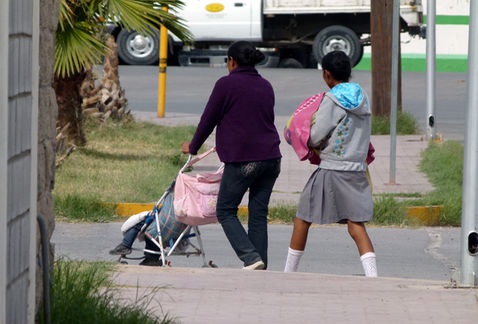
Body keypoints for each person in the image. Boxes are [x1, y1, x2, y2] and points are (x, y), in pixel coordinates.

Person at [181, 41, 282, 270]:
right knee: (258, 213)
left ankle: (250, 257)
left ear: (232, 62)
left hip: (243, 160)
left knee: (225, 210)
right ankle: (259, 262)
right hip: (271, 158)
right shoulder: (265, 85)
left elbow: (208, 119)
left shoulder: (226, 85)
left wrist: (193, 146)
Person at [283, 50, 378, 277]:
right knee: (356, 226)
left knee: (302, 220)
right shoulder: (362, 97)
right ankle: (373, 277)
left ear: (326, 74)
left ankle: (288, 273)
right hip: (356, 170)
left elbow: (315, 136)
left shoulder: (332, 99)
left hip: (331, 170)